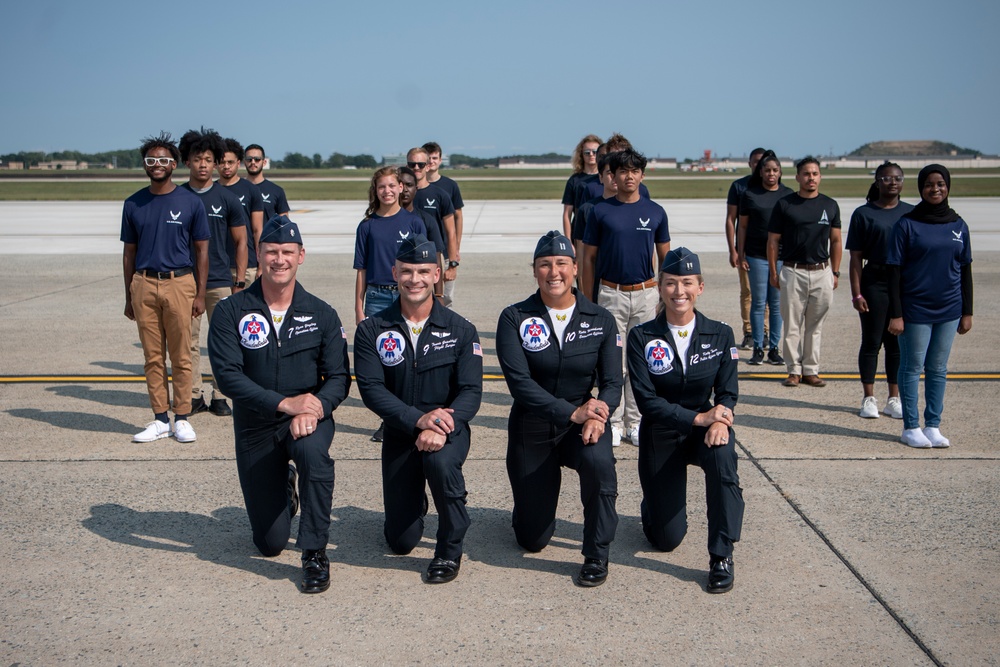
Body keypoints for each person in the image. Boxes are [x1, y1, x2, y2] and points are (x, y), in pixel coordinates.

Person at [208, 216, 352, 594]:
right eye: (271, 251)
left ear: (301, 256)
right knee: (269, 544)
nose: (279, 259)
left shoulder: (321, 313)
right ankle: (286, 489)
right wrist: (287, 403)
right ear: (258, 255)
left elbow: (339, 376)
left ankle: (315, 552)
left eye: (288, 252)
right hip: (256, 425)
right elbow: (228, 378)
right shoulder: (231, 312)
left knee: (314, 457)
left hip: (307, 421)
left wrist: (315, 408)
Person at [496, 231, 623, 587]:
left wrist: (600, 410)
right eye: (545, 264)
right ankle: (529, 511)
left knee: (600, 464)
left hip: (582, 426)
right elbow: (520, 384)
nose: (554, 272)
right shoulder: (515, 317)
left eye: (561, 264)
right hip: (532, 427)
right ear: (535, 271)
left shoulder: (600, 318)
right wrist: (572, 412)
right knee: (532, 539)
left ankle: (597, 553)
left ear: (575, 269)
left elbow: (613, 382)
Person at [354, 235, 483, 584]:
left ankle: (450, 545)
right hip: (401, 432)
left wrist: (439, 424)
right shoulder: (372, 330)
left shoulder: (461, 329)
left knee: (440, 464)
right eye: (407, 271)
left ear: (437, 274)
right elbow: (371, 389)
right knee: (400, 541)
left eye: (424, 271)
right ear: (394, 273)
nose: (415, 279)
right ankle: (414, 503)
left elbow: (471, 392)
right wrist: (417, 420)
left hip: (448, 429)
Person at [627, 248, 743, 594]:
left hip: (705, 429)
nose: (680, 292)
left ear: (701, 287)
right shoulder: (642, 337)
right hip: (661, 432)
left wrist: (721, 421)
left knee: (724, 461)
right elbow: (647, 402)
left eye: (687, 283)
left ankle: (721, 555)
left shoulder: (720, 334)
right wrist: (700, 417)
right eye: (672, 283)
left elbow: (727, 392)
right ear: (659, 287)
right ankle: (654, 505)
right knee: (665, 539)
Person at [121, 132, 209, 443]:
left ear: (173, 164)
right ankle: (159, 418)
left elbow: (201, 250)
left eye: (162, 160)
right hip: (144, 284)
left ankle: (182, 417)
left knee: (181, 355)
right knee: (152, 356)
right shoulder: (133, 203)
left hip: (180, 283)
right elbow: (129, 252)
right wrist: (129, 295)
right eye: (151, 160)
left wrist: (199, 293)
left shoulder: (190, 202)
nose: (156, 165)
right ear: (144, 165)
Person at [580, 148, 670, 446]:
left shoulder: (655, 211)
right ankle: (614, 421)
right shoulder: (600, 212)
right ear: (613, 177)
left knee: (639, 362)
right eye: (623, 171)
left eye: (634, 171)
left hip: (645, 293)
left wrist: (663, 294)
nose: (629, 176)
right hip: (610, 293)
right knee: (613, 362)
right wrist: (589, 298)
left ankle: (636, 421)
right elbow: (588, 259)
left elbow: (665, 258)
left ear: (642, 176)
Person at [887, 165, 973, 448]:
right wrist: (897, 314)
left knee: (938, 368)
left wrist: (967, 311)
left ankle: (933, 425)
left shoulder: (958, 225)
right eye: (928, 185)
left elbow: (965, 270)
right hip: (915, 309)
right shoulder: (907, 224)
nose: (935, 189)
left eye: (940, 184)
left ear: (948, 186)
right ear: (920, 188)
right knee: (912, 367)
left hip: (949, 308)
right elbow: (894, 272)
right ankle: (911, 427)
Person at [178, 128, 248, 417]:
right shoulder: (177, 196)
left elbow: (242, 241)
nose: (203, 164)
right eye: (197, 159)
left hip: (220, 280)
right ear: (187, 162)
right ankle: (193, 395)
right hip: (184, 281)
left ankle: (221, 395)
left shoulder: (227, 198)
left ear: (217, 162)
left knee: (222, 342)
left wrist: (240, 281)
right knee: (188, 342)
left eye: (209, 159)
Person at [767, 157, 842, 388]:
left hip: (821, 271)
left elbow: (837, 240)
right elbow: (772, 241)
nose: (811, 178)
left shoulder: (830, 205)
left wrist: (836, 272)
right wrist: (773, 271)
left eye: (815, 173)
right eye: (807, 174)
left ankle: (811, 369)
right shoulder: (785, 204)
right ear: (798, 177)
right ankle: (793, 370)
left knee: (815, 325)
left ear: (820, 176)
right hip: (792, 270)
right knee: (791, 324)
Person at [846, 162, 913, 419]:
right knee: (872, 340)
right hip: (874, 281)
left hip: (903, 282)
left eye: (897, 178)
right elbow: (855, 259)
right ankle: (868, 397)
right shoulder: (864, 213)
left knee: (896, 343)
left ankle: (893, 398)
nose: (892, 182)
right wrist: (857, 293)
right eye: (886, 178)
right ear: (877, 181)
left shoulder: (911, 213)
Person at [353, 166, 427, 326]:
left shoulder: (414, 223)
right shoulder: (366, 226)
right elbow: (361, 270)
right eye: (382, 187)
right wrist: (359, 309)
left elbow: (424, 266)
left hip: (408, 293)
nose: (387, 191)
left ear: (400, 187)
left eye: (392, 186)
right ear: (375, 190)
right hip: (376, 297)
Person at [738, 150, 792, 365]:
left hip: (782, 257)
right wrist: (740, 254)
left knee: (777, 304)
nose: (771, 174)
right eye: (767, 170)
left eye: (775, 170)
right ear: (760, 172)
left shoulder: (788, 195)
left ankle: (775, 348)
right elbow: (741, 226)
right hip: (756, 256)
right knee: (759, 302)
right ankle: (758, 347)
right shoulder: (750, 195)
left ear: (780, 172)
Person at [407, 147, 459, 306]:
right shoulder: (402, 196)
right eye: (412, 164)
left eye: (421, 164)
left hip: (436, 255)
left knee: (440, 301)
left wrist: (452, 265)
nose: (416, 167)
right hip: (408, 256)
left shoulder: (440, 195)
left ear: (428, 165)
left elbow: (451, 232)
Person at [725, 148, 766, 349]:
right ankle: (749, 331)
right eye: (756, 161)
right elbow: (731, 220)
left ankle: (765, 331)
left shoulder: (774, 188)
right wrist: (733, 250)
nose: (759, 165)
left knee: (768, 294)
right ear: (750, 163)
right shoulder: (740, 187)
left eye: (763, 162)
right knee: (748, 291)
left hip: (771, 251)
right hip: (746, 249)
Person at [217, 138, 264, 286]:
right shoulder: (211, 191)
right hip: (217, 265)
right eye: (222, 162)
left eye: (230, 162)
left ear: (238, 163)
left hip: (247, 264)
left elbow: (257, 230)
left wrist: (261, 264)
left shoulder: (251, 190)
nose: (226, 166)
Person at [424, 142, 465, 307]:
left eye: (435, 158)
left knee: (445, 297)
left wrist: (456, 250)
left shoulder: (450, 186)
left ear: (440, 160)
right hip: (424, 250)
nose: (431, 161)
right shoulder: (414, 186)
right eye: (428, 158)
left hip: (446, 250)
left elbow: (458, 217)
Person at [560, 134, 602, 239]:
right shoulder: (574, 180)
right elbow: (567, 214)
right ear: (581, 155)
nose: (591, 155)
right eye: (587, 152)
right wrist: (568, 240)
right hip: (579, 232)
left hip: (601, 230)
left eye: (595, 152)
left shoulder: (607, 178)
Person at [243, 143, 291, 222]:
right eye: (249, 159)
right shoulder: (237, 189)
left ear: (264, 162)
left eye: (257, 159)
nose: (253, 162)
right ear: (244, 162)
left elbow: (284, 223)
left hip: (268, 234)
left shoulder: (277, 191)